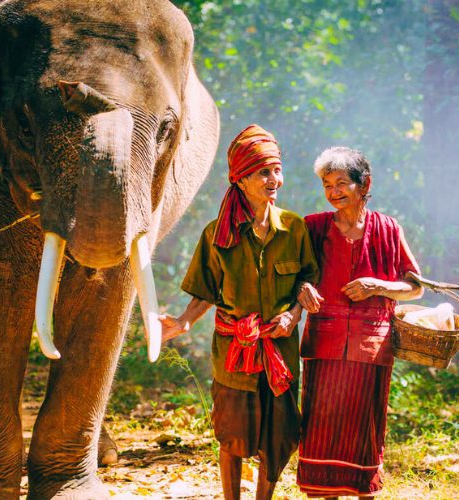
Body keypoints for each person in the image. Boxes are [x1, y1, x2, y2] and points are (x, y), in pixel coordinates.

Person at [159, 124, 319, 500]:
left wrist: (295, 313)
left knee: (278, 437)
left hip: (279, 352)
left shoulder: (294, 228)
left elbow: (307, 279)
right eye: (264, 172)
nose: (274, 179)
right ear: (241, 179)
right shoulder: (218, 234)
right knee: (233, 437)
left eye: (277, 170)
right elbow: (204, 292)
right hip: (234, 357)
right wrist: (182, 322)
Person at [295, 146, 424, 498]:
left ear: (363, 184)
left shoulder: (387, 229)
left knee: (364, 431)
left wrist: (378, 285)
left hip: (371, 348)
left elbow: (415, 288)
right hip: (325, 345)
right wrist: (303, 288)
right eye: (326, 184)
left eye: (341, 183)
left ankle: (364, 491)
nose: (333, 192)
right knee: (321, 428)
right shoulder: (313, 227)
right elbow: (294, 277)